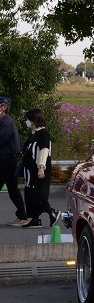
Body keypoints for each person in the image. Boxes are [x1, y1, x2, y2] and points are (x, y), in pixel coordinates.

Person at [19, 108, 54, 229]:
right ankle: (35, 219)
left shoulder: (43, 134)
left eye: (28, 119)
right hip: (30, 170)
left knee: (37, 193)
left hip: (37, 169)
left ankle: (51, 211)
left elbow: (44, 151)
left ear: (34, 120)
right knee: (30, 194)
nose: (27, 122)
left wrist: (41, 167)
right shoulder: (34, 134)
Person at [0, 97, 25, 226]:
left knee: (13, 190)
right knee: (13, 190)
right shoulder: (4, 121)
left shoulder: (7, 123)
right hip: (5, 160)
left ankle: (22, 216)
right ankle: (22, 215)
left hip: (6, 161)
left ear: (3, 108)